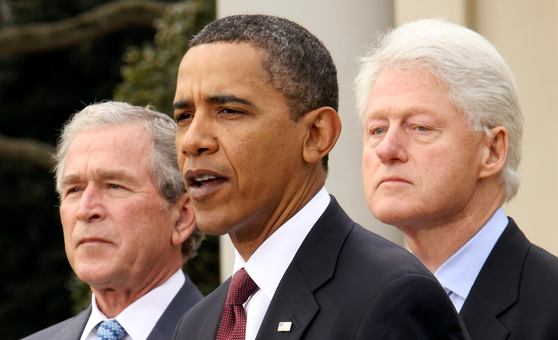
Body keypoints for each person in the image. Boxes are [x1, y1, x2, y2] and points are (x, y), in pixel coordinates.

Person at [171, 14, 468, 340]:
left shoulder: (390, 297)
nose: (192, 140)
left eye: (229, 111)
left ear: (316, 135)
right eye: (184, 116)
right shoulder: (196, 325)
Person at [357, 18, 558, 340]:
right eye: (377, 129)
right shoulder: (353, 303)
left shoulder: (550, 307)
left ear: (492, 151)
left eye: (420, 127)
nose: (387, 149)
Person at [22, 101, 204, 340]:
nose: (85, 210)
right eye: (74, 189)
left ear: (181, 218)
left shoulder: (232, 333)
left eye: (114, 185)